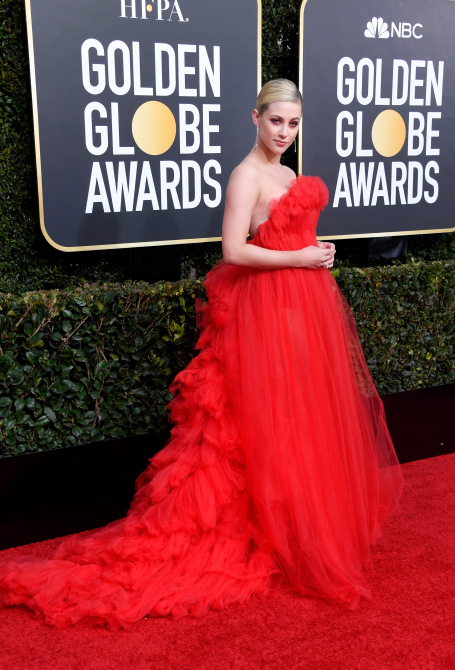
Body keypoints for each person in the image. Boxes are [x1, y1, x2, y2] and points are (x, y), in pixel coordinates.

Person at [0, 79, 402, 629]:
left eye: (293, 123)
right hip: (266, 313)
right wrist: (300, 259)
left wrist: (317, 254)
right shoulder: (246, 175)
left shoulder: (286, 174)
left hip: (304, 308)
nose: (284, 132)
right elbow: (234, 250)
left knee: (297, 421)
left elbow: (287, 240)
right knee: (254, 426)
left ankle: (294, 526)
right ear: (254, 117)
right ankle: (264, 530)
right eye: (275, 121)